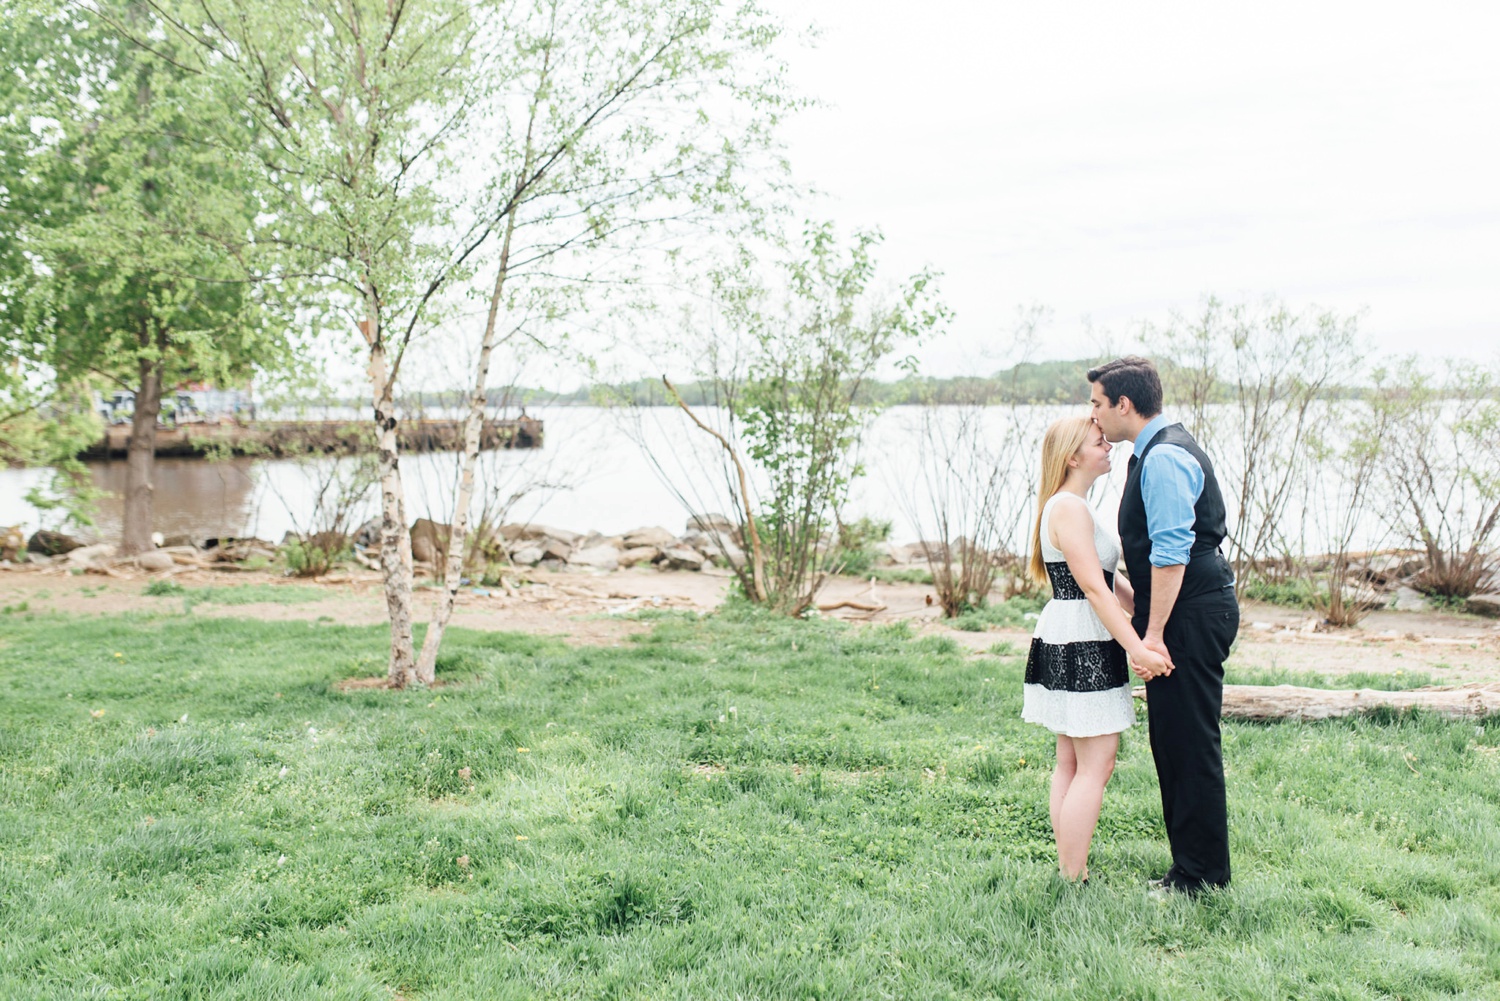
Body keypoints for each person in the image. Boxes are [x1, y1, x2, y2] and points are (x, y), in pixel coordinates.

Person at [1087, 356, 1239, 895]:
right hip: (1186, 608)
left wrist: (1151, 635)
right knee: (1173, 740)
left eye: (1098, 404)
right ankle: (1192, 868)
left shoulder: (1165, 458)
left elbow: (1172, 553)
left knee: (1188, 741)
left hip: (1191, 611)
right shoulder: (1153, 451)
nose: (1094, 416)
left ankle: (1201, 877)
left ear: (1123, 405)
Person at [1023, 416, 1172, 884]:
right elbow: (1091, 586)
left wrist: (1147, 616)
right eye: (1098, 441)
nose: (1108, 446)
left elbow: (1108, 581)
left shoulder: (1069, 505)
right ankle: (1073, 875)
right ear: (1073, 456)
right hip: (1082, 637)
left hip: (1073, 630)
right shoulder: (1068, 507)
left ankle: (1072, 870)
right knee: (1096, 762)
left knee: (1071, 759)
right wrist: (1138, 648)